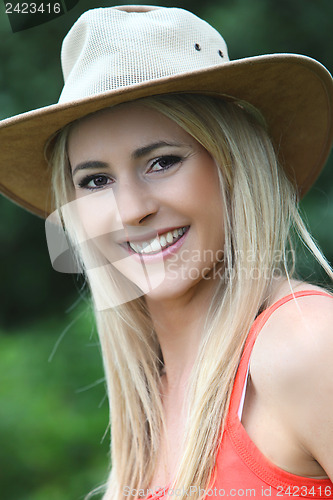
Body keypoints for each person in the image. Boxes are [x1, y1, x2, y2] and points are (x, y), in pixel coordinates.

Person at [1, 5, 333, 500]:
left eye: (161, 161)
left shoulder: (305, 344)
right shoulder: (150, 398)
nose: (131, 210)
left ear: (233, 164)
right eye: (96, 181)